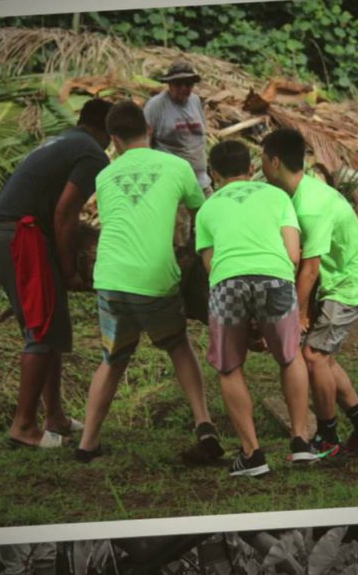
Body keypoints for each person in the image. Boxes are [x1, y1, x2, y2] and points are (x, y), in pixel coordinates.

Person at [75, 100, 224, 464]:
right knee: (177, 344)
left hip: (109, 277)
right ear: (150, 130)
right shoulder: (178, 166)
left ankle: (87, 443)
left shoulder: (105, 176)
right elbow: (201, 212)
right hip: (154, 279)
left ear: (114, 140)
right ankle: (203, 423)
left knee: (112, 358)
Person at [0, 98, 113, 449]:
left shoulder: (62, 140)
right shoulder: (93, 153)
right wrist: (69, 270)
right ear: (107, 130)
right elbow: (65, 212)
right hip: (20, 233)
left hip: (6, 230)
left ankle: (55, 416)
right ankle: (23, 426)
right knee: (40, 328)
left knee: (52, 323)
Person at [260, 128, 358, 458]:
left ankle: (327, 438)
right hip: (338, 282)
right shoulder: (297, 194)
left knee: (314, 356)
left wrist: (300, 313)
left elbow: (311, 267)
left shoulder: (311, 205)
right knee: (323, 358)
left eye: (261, 159)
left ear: (274, 162)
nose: (259, 166)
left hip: (351, 282)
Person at [195, 140, 318, 477]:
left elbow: (211, 267)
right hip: (276, 278)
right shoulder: (277, 197)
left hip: (228, 284)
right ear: (251, 169)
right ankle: (301, 442)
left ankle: (253, 455)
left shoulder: (207, 208)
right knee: (290, 356)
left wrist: (244, 313)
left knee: (229, 367)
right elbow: (294, 253)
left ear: (214, 174)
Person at [144, 59, 212, 194]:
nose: (183, 89)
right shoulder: (156, 106)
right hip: (171, 183)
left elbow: (201, 133)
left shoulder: (195, 101)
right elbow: (146, 143)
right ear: (169, 84)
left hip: (200, 180)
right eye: (178, 84)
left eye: (188, 84)